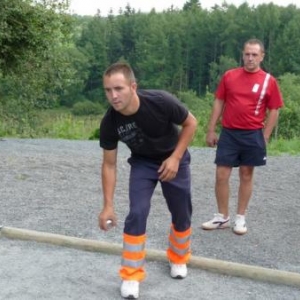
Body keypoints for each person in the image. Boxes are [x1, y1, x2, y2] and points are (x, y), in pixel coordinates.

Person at [98, 62, 197, 299]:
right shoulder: (110, 122)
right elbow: (109, 164)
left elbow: (191, 123)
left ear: (133, 86)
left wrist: (175, 158)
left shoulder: (160, 101)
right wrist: (108, 206)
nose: (113, 95)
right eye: (108, 90)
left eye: (119, 88)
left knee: (181, 211)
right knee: (138, 212)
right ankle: (131, 275)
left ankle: (179, 258)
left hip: (175, 158)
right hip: (143, 163)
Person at [201, 38, 284, 235]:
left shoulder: (268, 81)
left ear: (262, 56)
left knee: (246, 174)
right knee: (221, 174)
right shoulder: (230, 76)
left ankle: (240, 218)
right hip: (229, 133)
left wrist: (265, 136)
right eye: (247, 54)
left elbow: (274, 110)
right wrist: (211, 129)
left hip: (253, 134)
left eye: (255, 54)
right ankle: (222, 217)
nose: (250, 58)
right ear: (242, 55)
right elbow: (219, 102)